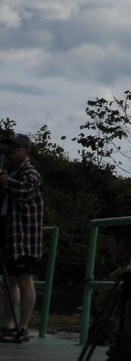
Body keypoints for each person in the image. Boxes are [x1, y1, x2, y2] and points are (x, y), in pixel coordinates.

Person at [0, 133, 43, 343]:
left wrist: (4, 180)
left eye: (15, 148)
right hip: (10, 235)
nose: (10, 151)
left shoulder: (30, 173)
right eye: (9, 147)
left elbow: (24, 191)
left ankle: (23, 327)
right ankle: (8, 325)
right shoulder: (12, 172)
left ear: (26, 150)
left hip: (25, 237)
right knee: (9, 281)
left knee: (25, 280)